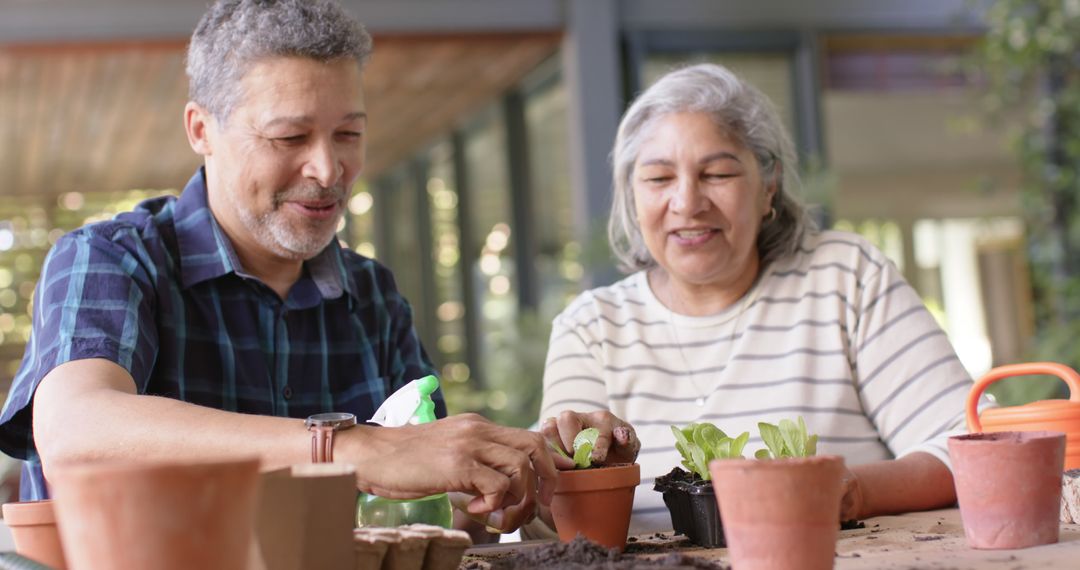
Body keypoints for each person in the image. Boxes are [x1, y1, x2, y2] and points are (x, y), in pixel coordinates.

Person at [0, 0, 556, 533]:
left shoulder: (373, 295)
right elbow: (73, 429)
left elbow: (437, 492)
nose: (328, 167)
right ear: (201, 130)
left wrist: (533, 470)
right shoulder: (112, 258)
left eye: (349, 134)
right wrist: (350, 447)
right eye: (290, 136)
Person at [538, 63, 975, 535]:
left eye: (718, 173)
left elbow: (971, 446)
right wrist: (566, 466)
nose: (687, 202)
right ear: (631, 198)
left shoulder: (845, 276)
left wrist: (847, 491)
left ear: (769, 184)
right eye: (659, 179)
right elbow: (547, 503)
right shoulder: (591, 327)